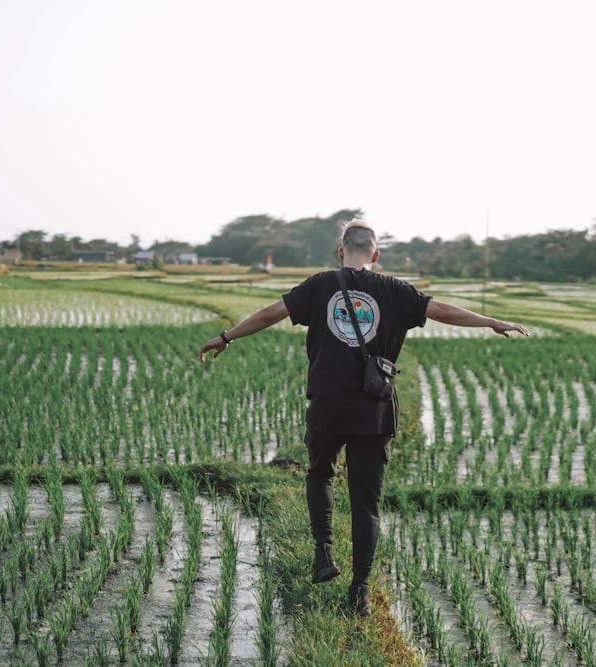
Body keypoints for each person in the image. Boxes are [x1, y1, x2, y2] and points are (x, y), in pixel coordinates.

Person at [199, 219, 529, 617]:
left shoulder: (320, 285)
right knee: (365, 504)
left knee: (320, 474)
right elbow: (443, 311)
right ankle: (359, 591)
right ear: (375, 255)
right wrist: (492, 321)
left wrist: (227, 336)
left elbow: (270, 313)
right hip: (373, 411)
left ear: (341, 252)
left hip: (326, 406)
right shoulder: (394, 290)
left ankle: (323, 552)